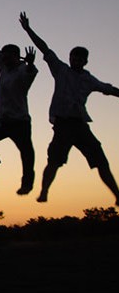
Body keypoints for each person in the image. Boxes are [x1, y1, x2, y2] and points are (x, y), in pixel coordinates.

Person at [20, 11, 119, 205]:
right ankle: (44, 192)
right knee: (54, 161)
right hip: (63, 125)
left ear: (85, 61)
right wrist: (28, 29)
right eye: (74, 57)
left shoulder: (88, 79)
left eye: (80, 59)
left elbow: (108, 89)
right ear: (70, 57)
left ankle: (116, 194)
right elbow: (44, 49)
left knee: (101, 161)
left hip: (80, 125)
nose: (76, 60)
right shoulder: (61, 69)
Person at [0, 4, 38, 195]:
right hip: (2, 122)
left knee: (26, 152)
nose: (3, 57)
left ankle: (27, 183)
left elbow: (30, 73)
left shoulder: (23, 69)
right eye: (3, 55)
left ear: (16, 56)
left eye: (7, 55)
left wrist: (29, 63)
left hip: (20, 122)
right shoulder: (4, 68)